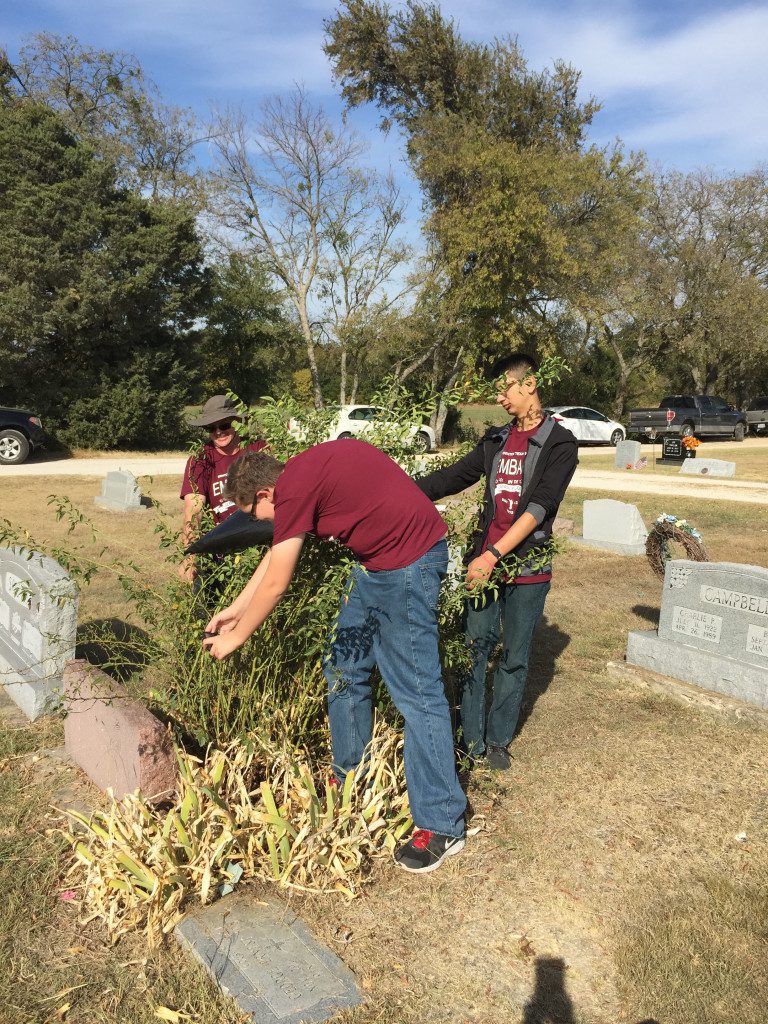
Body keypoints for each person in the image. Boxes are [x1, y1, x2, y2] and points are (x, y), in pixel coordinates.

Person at [202, 439, 467, 873]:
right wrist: (236, 609)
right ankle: (350, 775)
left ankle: (441, 824)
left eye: (253, 513)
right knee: (344, 666)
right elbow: (274, 556)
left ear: (265, 494)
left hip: (409, 565)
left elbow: (277, 584)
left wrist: (236, 639)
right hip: (376, 567)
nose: (260, 522)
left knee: (418, 693)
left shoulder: (293, 490)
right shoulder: (298, 475)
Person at [415, 353, 578, 770]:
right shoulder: (495, 439)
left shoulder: (560, 443)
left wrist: (493, 555)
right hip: (482, 566)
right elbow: (452, 477)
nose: (500, 396)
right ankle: (470, 741)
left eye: (505, 387)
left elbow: (541, 506)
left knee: (514, 655)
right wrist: (400, 488)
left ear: (530, 385)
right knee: (476, 648)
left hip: (526, 566)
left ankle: (497, 740)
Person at [178, 395, 267, 583]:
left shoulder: (257, 448)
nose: (218, 432)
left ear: (236, 422)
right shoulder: (201, 460)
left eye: (224, 425)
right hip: (220, 553)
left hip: (260, 546)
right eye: (211, 428)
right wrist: (190, 556)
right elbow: (193, 510)